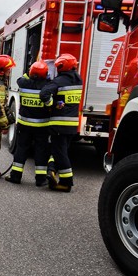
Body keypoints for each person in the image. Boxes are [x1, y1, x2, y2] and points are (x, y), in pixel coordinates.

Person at [40, 53, 82, 192]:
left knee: (60, 153)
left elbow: (44, 94)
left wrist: (51, 104)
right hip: (72, 124)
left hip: (59, 123)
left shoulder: (59, 81)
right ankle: (51, 170)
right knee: (60, 150)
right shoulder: (78, 80)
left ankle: (66, 182)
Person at [5, 60, 52, 186]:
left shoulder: (23, 83)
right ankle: (41, 179)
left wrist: (30, 73)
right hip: (42, 127)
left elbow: (21, 78)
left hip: (24, 125)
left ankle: (15, 176)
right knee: (41, 152)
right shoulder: (47, 86)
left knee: (21, 150)